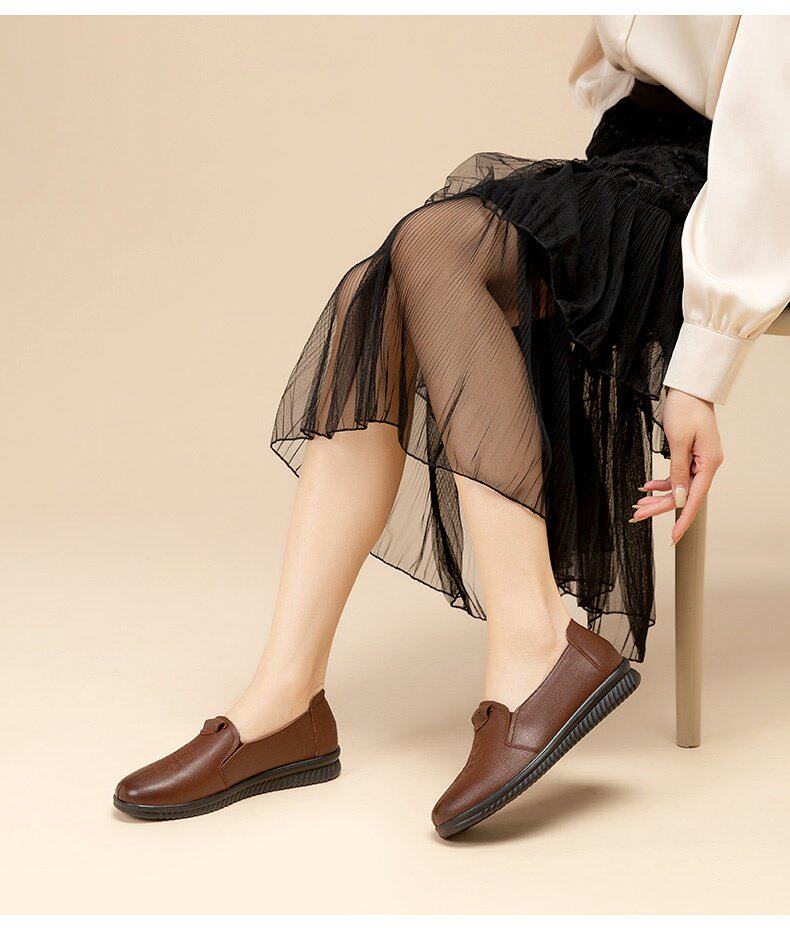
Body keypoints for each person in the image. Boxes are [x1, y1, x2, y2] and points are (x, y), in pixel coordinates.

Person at [114, 16, 790, 836]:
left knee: (434, 247)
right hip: (638, 158)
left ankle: (535, 640)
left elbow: (770, 122)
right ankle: (285, 698)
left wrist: (702, 369)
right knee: (378, 287)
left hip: (740, 194)